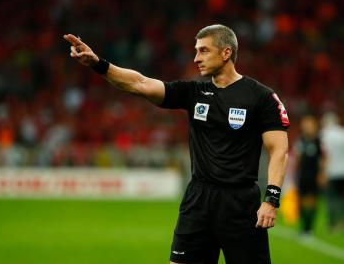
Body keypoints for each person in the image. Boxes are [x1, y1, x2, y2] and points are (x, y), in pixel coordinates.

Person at [64, 24, 289, 264]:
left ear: (226, 53)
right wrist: (98, 64)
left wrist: (271, 200)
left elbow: (279, 150)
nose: (196, 58)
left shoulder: (261, 97)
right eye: (196, 51)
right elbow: (140, 83)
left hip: (240, 203)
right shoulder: (194, 93)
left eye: (203, 51)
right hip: (198, 199)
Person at [293, 114, 325, 236]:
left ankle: (309, 228)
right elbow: (297, 158)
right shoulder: (301, 140)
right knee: (300, 203)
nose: (306, 127)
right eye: (304, 125)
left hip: (314, 176)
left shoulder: (318, 141)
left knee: (311, 203)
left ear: (314, 126)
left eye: (309, 125)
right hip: (302, 176)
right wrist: (294, 173)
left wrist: (322, 174)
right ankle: (303, 227)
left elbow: (323, 158)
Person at [321, 112, 344, 232]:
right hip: (342, 172)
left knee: (331, 199)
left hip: (331, 172)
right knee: (341, 199)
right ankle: (341, 223)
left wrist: (323, 172)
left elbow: (324, 155)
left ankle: (332, 224)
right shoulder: (342, 133)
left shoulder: (325, 134)